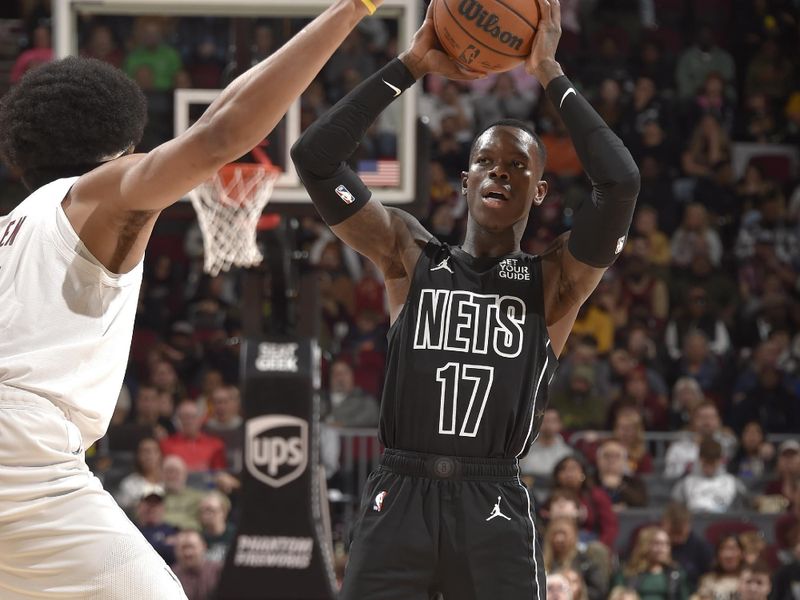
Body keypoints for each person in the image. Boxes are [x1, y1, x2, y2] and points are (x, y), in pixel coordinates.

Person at [0, 0, 384, 596]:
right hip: (23, 456)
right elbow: (221, 136)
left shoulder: (13, 228)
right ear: (126, 146)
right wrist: (351, 8)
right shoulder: (93, 195)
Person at [290, 0, 640, 596]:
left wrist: (549, 72)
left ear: (539, 188)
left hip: (492, 499)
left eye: (516, 166)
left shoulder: (553, 281)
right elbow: (314, 160)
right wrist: (410, 65)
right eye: (485, 162)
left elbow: (621, 182)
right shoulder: (410, 253)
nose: (499, 172)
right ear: (466, 180)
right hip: (399, 492)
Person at [671, 437, 749, 513]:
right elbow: (676, 511)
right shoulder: (685, 484)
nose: (709, 467)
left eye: (712, 463)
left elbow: (744, 509)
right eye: (705, 463)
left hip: (723, 522)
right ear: (699, 459)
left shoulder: (733, 483)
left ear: (720, 460)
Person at [613, 526, 690, 600]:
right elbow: (617, 595)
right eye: (657, 544)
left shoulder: (675, 574)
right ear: (645, 545)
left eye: (666, 544)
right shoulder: (628, 572)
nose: (662, 549)